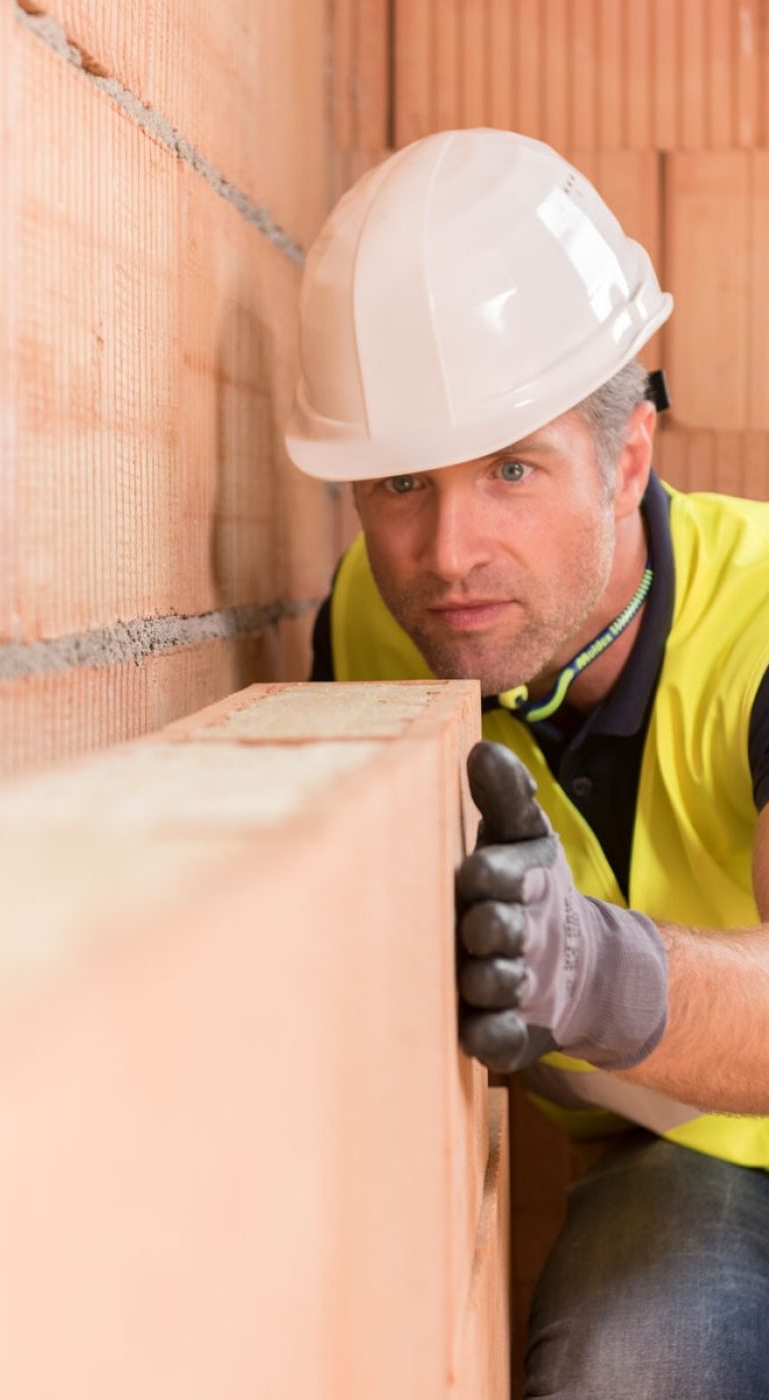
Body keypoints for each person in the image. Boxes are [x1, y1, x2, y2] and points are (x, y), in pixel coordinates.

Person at [284, 129, 769, 1398]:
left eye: (511, 468)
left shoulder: (765, 615)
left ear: (628, 461)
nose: (448, 554)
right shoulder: (370, 624)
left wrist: (594, 968)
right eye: (399, 481)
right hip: (686, 1161)